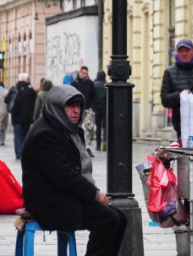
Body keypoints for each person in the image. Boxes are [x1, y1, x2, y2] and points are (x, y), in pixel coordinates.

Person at [21, 85, 127, 256]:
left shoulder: (70, 130)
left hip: (65, 197)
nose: (76, 111)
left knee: (120, 217)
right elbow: (64, 176)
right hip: (49, 202)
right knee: (108, 219)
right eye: (70, 106)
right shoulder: (44, 134)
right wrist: (94, 194)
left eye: (78, 106)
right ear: (57, 107)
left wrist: (93, 195)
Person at [10, 74, 37, 159]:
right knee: (25, 135)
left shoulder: (14, 89)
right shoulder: (30, 90)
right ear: (27, 80)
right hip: (27, 118)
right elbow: (34, 102)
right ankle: (24, 151)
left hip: (16, 117)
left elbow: (6, 100)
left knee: (17, 135)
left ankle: (18, 152)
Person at [72, 66, 96, 156]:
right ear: (80, 73)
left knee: (89, 128)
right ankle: (77, 147)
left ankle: (87, 147)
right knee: (76, 127)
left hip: (88, 108)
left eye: (86, 73)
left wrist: (92, 107)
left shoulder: (90, 83)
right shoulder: (75, 83)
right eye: (83, 73)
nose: (85, 75)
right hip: (77, 108)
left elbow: (94, 95)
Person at [92, 70, 107, 151]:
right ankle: (105, 144)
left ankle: (98, 145)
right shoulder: (106, 85)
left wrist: (93, 107)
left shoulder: (94, 85)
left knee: (98, 127)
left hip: (97, 109)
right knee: (105, 127)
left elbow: (93, 97)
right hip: (105, 109)